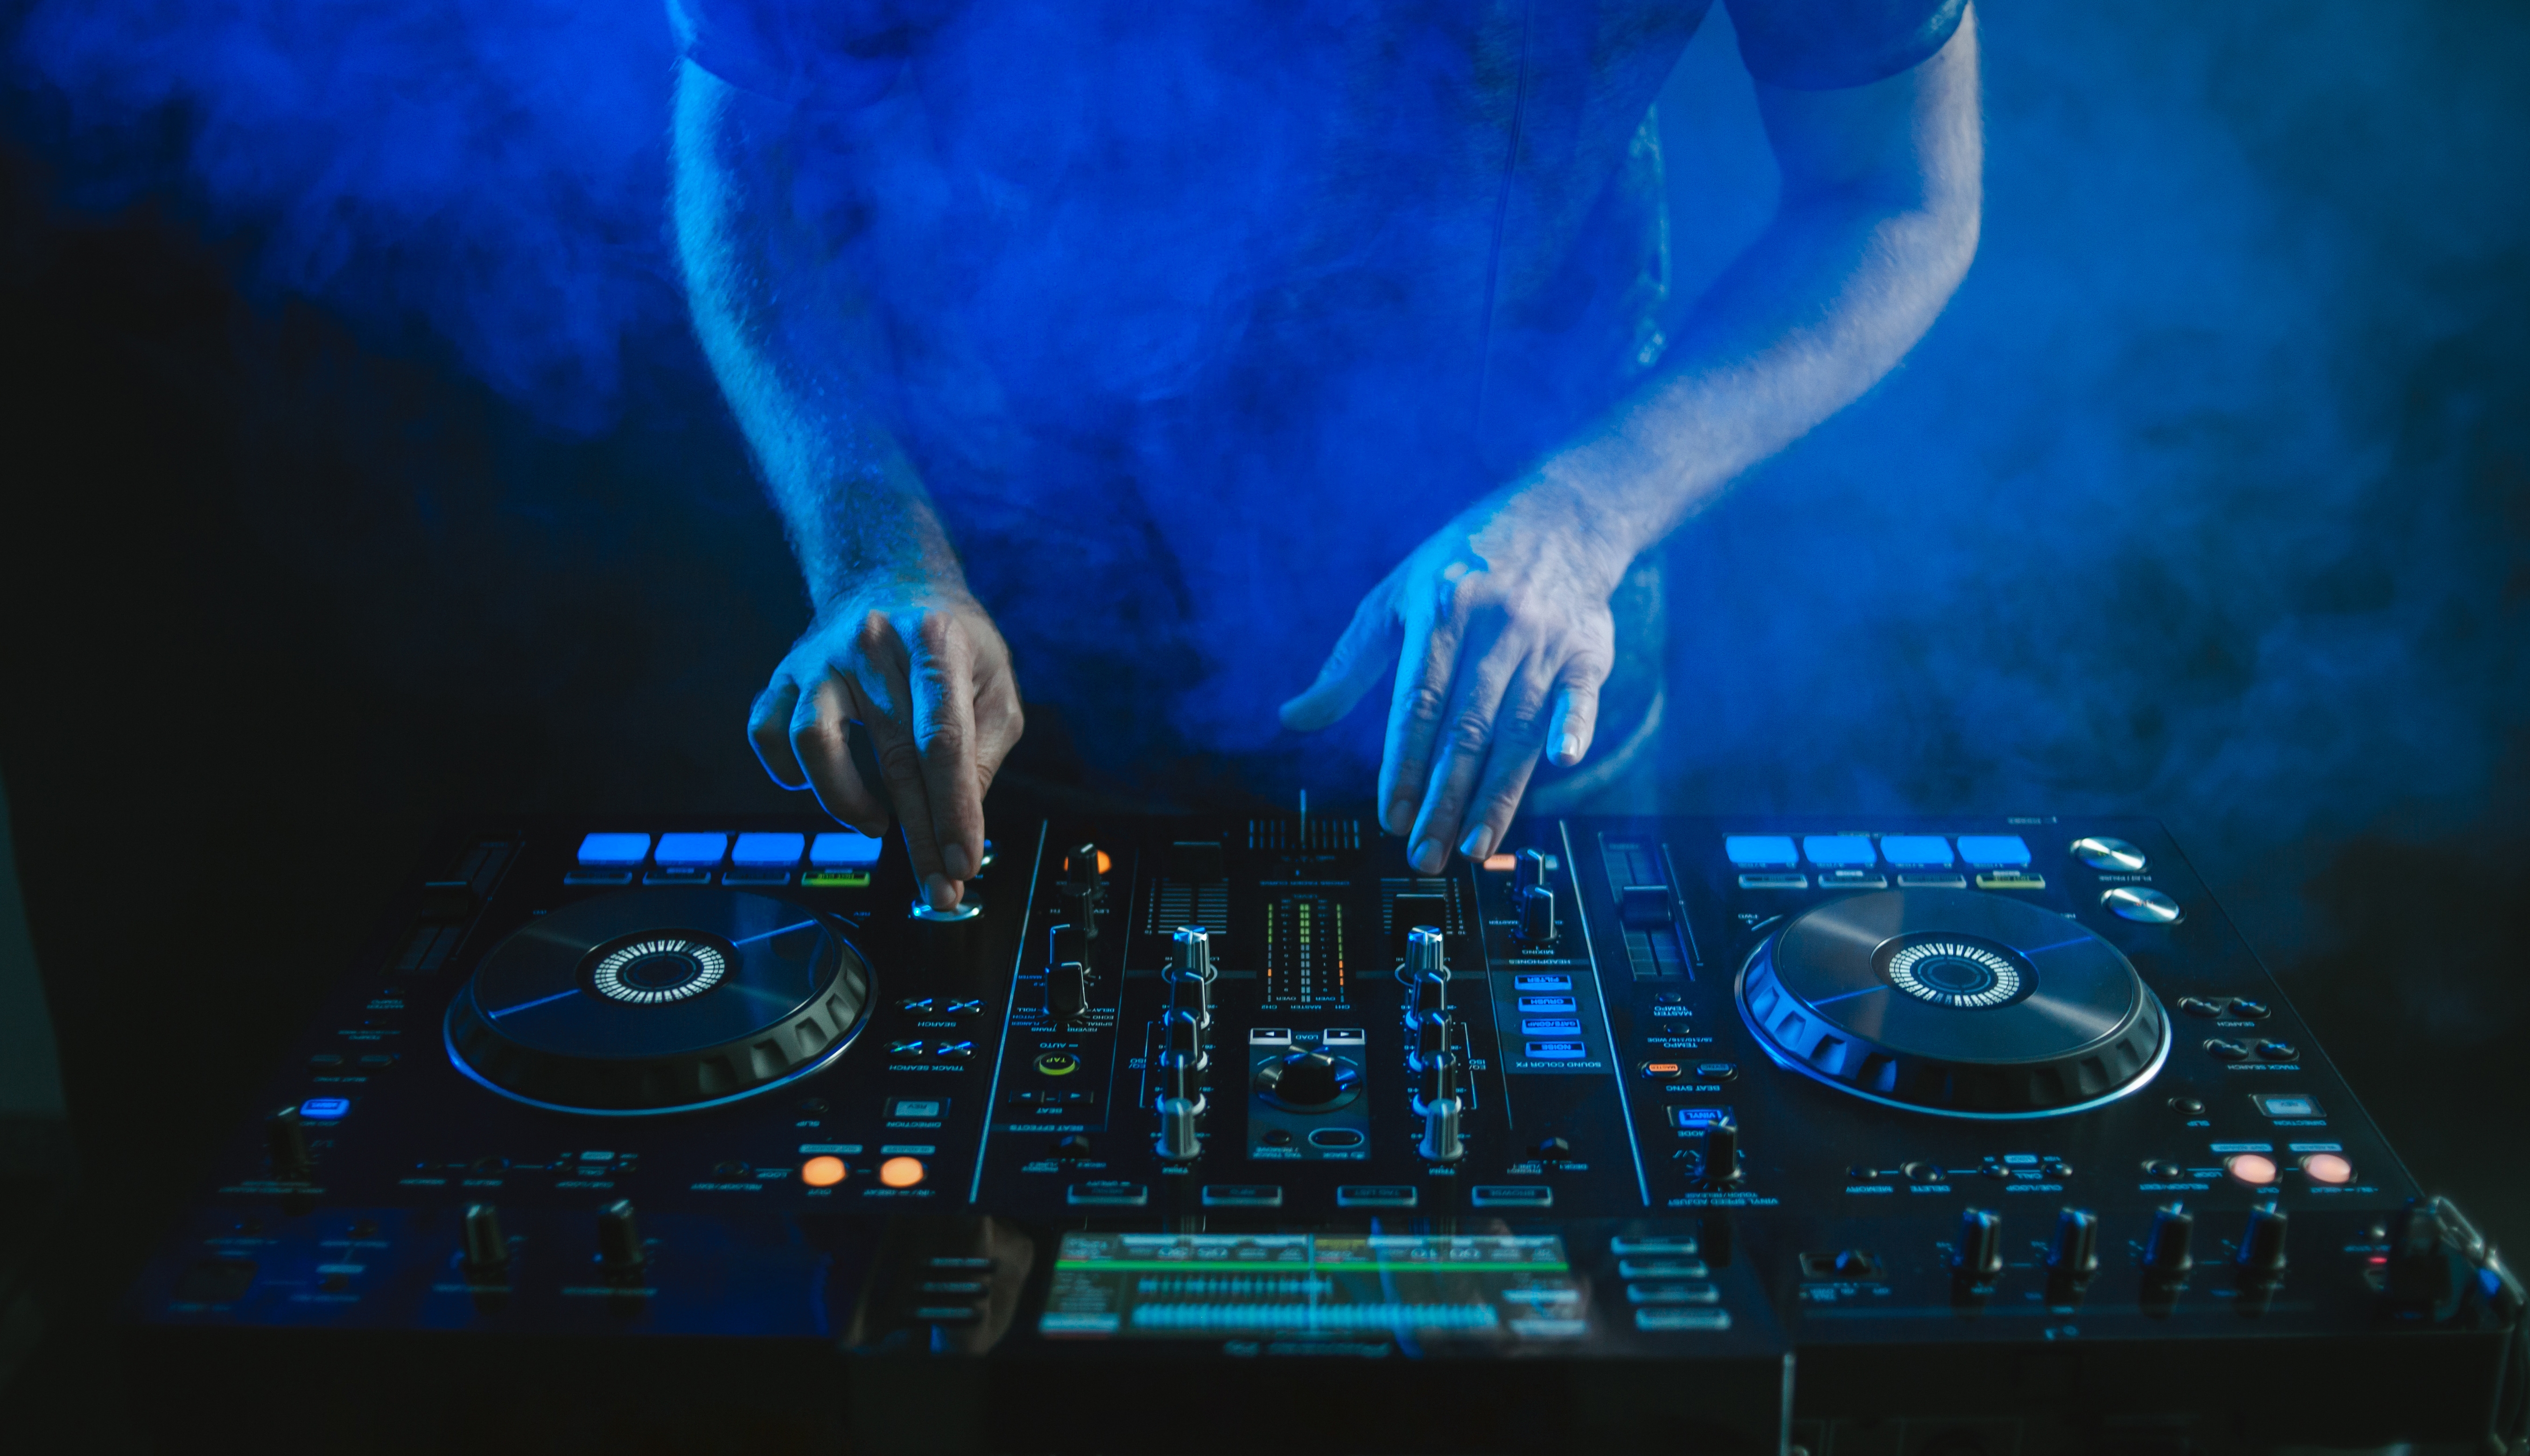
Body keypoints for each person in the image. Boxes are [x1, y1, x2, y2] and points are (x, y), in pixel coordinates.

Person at [670, 0, 1982, 912]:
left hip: (1521, 663)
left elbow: (1894, 195)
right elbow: (747, 136)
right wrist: (875, 551)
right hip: (998, 687)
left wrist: (1581, 516)